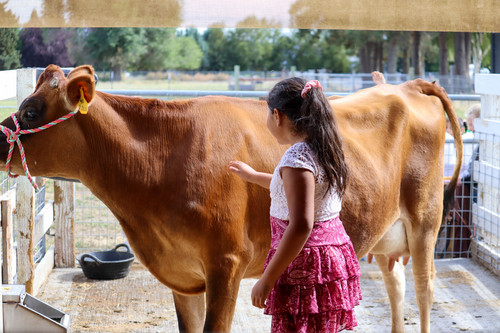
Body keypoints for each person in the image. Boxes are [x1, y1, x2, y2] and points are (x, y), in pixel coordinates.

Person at [229, 78, 361, 332]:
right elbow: (298, 190)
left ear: (277, 116)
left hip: (306, 263)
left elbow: (301, 224)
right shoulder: (324, 146)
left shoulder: (297, 157)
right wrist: (254, 176)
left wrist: (266, 280)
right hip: (331, 255)